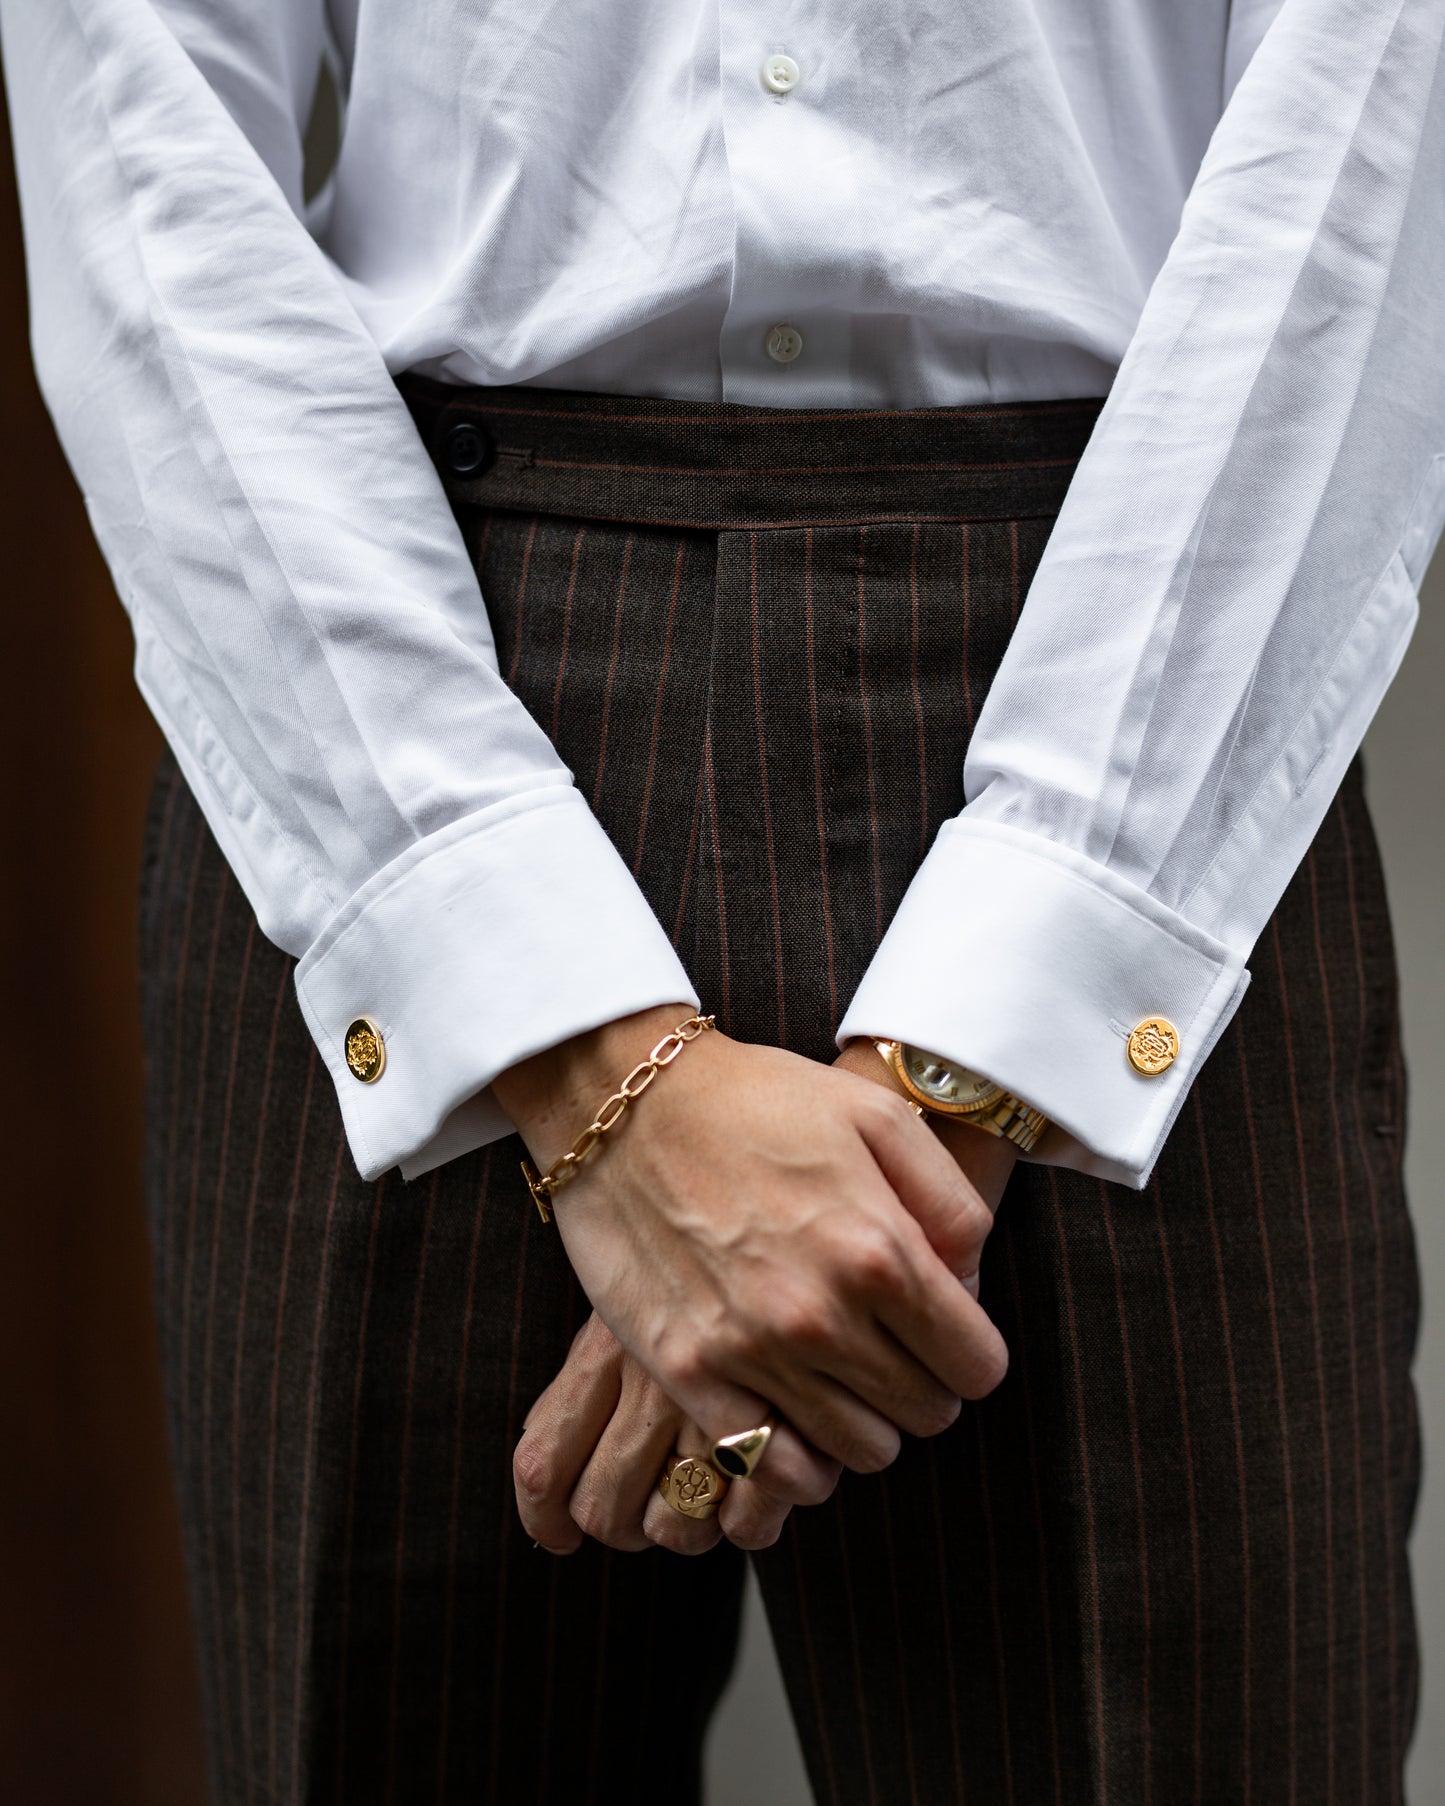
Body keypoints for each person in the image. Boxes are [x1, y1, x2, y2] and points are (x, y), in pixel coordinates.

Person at [2, 0, 1437, 1800]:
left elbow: (1375, 142)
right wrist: (560, 1036)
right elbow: (138, 139)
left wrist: (1006, 1016)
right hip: (398, 676)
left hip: (1145, 662)